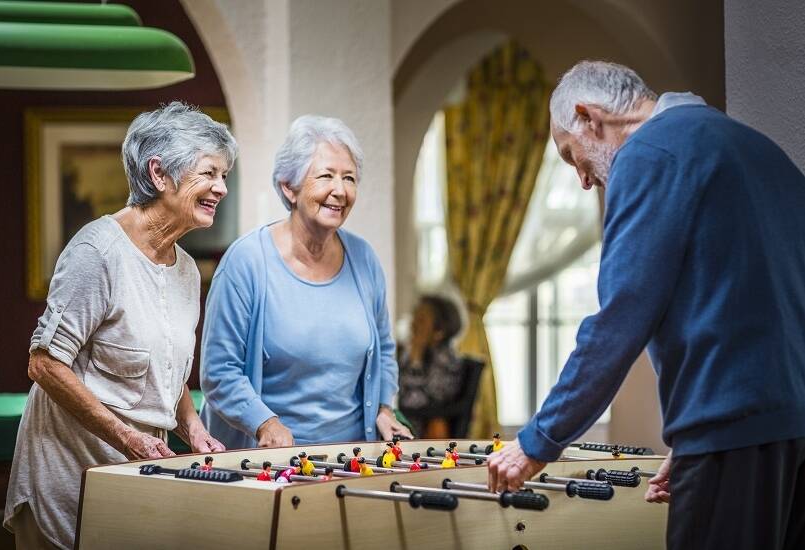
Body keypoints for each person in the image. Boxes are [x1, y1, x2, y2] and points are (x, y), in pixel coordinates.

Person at [486, 60, 805, 549]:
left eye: (572, 158)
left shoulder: (649, 154)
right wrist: (699, 432)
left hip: (733, 431)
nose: (585, 182)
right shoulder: (751, 146)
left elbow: (618, 321)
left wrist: (537, 442)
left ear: (589, 117)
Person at [4, 102, 235, 549]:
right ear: (159, 173)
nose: (221, 187)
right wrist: (128, 436)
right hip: (69, 478)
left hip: (133, 479)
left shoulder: (186, 268)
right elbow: (45, 365)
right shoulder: (98, 252)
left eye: (224, 175)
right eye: (209, 173)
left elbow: (165, 368)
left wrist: (193, 428)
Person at [200, 115, 412, 449]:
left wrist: (384, 407)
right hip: (268, 464)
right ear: (289, 186)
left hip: (352, 460)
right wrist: (265, 424)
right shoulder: (246, 262)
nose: (340, 191)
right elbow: (219, 371)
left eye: (349, 178)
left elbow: (384, 349)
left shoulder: (364, 258)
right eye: (326, 176)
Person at [397, 295, 464, 438]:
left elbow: (414, 400)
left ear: (439, 331)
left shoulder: (446, 360)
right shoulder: (411, 353)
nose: (413, 324)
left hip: (422, 429)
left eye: (421, 320)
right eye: (414, 317)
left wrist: (415, 357)